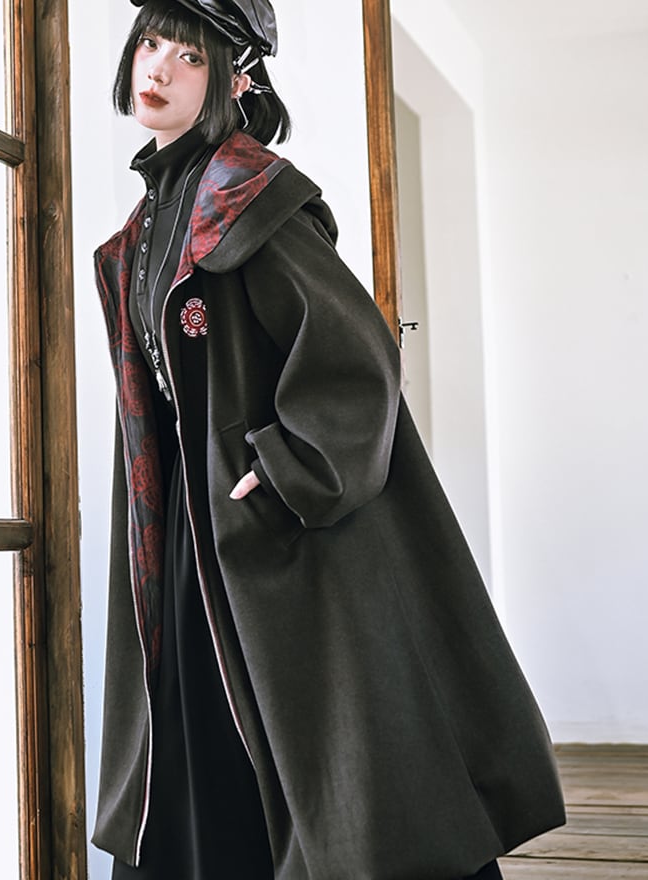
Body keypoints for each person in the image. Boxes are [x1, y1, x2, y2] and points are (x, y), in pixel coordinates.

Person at [92, 1, 566, 878]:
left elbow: (359, 357)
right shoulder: (144, 227)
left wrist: (285, 471)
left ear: (235, 79)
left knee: (327, 773)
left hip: (276, 535)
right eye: (150, 42)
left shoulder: (249, 200)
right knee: (205, 751)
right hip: (191, 539)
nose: (156, 67)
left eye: (188, 55)